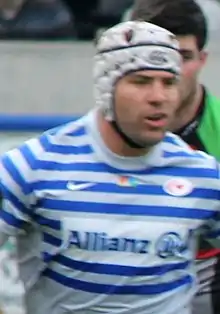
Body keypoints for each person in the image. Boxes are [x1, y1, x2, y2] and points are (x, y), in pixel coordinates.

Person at [0, 20, 220, 314]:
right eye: (141, 82)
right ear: (107, 89)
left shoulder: (203, 176)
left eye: (169, 82)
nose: (159, 97)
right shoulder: (32, 166)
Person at [130, 0, 220, 313]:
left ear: (203, 59)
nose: (169, 70)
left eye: (182, 57)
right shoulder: (89, 140)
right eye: (154, 55)